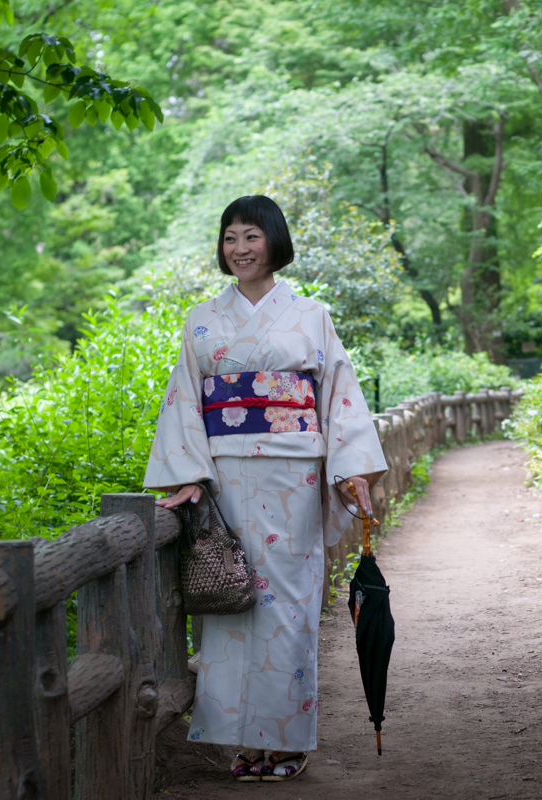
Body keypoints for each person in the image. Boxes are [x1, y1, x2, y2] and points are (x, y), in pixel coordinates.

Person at [145, 195, 387, 783]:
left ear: (273, 241)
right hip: (227, 476)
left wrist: (350, 470)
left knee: (289, 606)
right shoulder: (201, 319)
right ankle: (241, 742)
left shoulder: (311, 315)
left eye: (251, 236)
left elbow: (339, 396)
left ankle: (286, 742)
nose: (240, 249)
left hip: (294, 475)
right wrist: (189, 474)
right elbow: (184, 401)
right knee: (229, 601)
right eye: (230, 238)